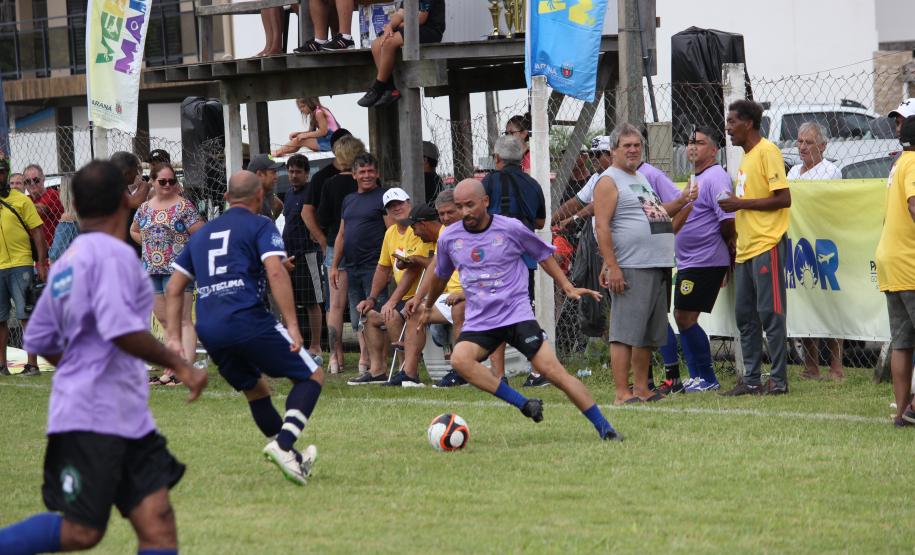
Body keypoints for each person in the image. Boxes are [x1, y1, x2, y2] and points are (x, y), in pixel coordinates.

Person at [0, 160, 207, 555]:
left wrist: (79, 365)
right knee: (82, 531)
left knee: (158, 522)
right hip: (91, 418)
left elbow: (41, 336)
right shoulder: (113, 257)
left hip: (128, 418)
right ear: (126, 198)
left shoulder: (67, 263)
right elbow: (122, 331)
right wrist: (181, 364)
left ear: (74, 202)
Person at [420, 179, 623, 441]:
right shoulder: (449, 237)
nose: (465, 212)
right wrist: (426, 305)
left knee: (554, 373)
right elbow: (440, 275)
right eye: (459, 206)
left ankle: (605, 428)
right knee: (460, 360)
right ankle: (524, 403)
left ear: (485, 202)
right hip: (480, 321)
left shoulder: (511, 228)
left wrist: (567, 286)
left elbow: (542, 254)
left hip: (516, 316)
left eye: (470, 205)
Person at [166, 170, 323, 485]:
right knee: (311, 376)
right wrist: (293, 325)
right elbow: (275, 273)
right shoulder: (261, 224)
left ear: (225, 198)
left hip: (209, 327)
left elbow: (173, 288)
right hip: (246, 317)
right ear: (260, 198)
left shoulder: (201, 235)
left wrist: (172, 337)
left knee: (256, 389)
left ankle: (290, 458)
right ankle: (282, 444)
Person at [593, 123, 689, 405]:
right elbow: (602, 226)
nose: (634, 150)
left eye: (637, 145)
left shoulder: (640, 178)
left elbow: (656, 214)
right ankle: (622, 393)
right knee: (625, 332)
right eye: (627, 146)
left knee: (647, 333)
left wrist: (682, 201)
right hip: (632, 265)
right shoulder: (609, 181)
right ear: (613, 151)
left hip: (656, 263)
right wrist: (612, 266)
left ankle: (642, 389)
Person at [718, 99, 792, 396]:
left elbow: (783, 198)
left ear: (748, 123)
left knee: (771, 314)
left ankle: (778, 381)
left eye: (732, 122)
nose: (728, 127)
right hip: (747, 249)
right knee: (745, 318)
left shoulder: (768, 152)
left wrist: (739, 204)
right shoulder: (747, 157)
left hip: (767, 244)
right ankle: (750, 380)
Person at [667, 127, 736, 393]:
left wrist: (728, 249)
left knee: (685, 317)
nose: (693, 146)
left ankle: (707, 378)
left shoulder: (716, 176)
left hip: (705, 260)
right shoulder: (695, 178)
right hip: (689, 261)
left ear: (714, 150)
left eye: (700, 142)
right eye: (689, 142)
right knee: (682, 316)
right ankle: (697, 376)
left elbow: (727, 219)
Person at [481, 134, 547, 386]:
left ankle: (499, 375)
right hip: (525, 260)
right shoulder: (532, 184)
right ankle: (537, 370)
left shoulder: (488, 181)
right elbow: (540, 222)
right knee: (524, 311)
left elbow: (480, 215)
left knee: (494, 312)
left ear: (497, 158)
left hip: (494, 258)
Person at [130, 162, 204, 385]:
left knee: (182, 320)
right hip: (151, 269)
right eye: (162, 181)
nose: (168, 185)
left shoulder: (184, 207)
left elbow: (200, 232)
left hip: (178, 270)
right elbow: (134, 230)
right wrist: (149, 244)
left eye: (172, 181)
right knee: (165, 320)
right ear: (152, 181)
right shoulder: (144, 208)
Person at [350, 188, 431, 386]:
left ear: (409, 202)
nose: (396, 208)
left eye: (399, 203)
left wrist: (392, 301)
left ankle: (406, 370)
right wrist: (371, 298)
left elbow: (414, 270)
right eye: (391, 206)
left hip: (423, 295)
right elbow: (382, 268)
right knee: (369, 314)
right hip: (402, 298)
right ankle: (377, 370)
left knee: (391, 314)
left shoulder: (419, 229)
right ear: (386, 211)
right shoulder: (390, 233)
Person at [786, 122, 844, 380]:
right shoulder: (793, 174)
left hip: (825, 243)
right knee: (805, 300)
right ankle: (811, 365)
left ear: (823, 146)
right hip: (800, 243)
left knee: (831, 302)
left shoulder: (831, 171)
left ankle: (836, 366)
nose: (802, 147)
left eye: (809, 142)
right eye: (799, 142)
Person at [330, 153, 389, 381]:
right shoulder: (349, 200)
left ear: (377, 173)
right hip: (351, 267)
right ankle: (371, 366)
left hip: (376, 267)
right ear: (353, 174)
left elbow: (391, 232)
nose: (366, 175)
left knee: (377, 317)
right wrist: (335, 265)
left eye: (370, 171)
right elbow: (342, 234)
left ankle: (380, 366)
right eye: (362, 172)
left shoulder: (383, 197)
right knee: (359, 320)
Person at [401, 194, 468, 387]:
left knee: (458, 308)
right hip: (449, 295)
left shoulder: (475, 229)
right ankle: (410, 375)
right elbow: (435, 267)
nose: (445, 218)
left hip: (473, 294)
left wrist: (464, 293)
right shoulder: (446, 233)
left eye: (450, 212)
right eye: (442, 214)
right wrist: (418, 298)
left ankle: (461, 372)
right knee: (414, 310)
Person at [875, 115, 915, 427]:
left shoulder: (898, 163)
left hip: (892, 262)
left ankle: (902, 413)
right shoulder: (913, 163)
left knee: (902, 342)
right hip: (910, 263)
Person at [317, 137, 367, 373]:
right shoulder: (367, 184)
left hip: (333, 247)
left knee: (335, 306)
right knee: (363, 302)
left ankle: (335, 359)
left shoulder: (329, 184)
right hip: (363, 246)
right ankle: (364, 358)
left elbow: (322, 218)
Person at [0, 156, 47, 377]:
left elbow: (37, 231)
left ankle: (32, 364)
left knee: (26, 315)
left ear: (6, 175)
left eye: (2, 172)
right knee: (0, 318)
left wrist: (41, 263)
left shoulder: (21, 200)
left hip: (21, 264)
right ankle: (2, 365)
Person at [356, 0, 446, 108]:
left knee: (388, 43)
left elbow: (421, 18)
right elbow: (400, 13)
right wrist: (390, 26)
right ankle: (390, 89)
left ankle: (378, 88)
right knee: (377, 44)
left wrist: (401, 25)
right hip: (411, 26)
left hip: (430, 30)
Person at [282, 154, 324, 360]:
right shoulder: (288, 194)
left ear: (307, 174)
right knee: (288, 301)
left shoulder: (312, 193)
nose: (294, 175)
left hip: (308, 254)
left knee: (312, 301)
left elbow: (324, 215)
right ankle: (292, 344)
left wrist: (318, 233)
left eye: (298, 172)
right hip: (288, 256)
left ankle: (316, 346)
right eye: (291, 171)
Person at [110, 150, 152, 257]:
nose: (138, 174)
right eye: (135, 170)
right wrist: (145, 185)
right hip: (121, 249)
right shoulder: (111, 186)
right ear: (126, 173)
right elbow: (135, 202)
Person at [273, 97, 341, 157]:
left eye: (303, 106)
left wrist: (304, 135)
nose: (301, 110)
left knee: (300, 140)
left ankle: (277, 152)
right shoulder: (315, 112)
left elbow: (323, 131)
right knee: (299, 139)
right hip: (329, 139)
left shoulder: (319, 112)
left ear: (310, 103)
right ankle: (281, 152)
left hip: (332, 141)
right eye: (299, 108)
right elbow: (312, 132)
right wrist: (298, 134)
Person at [23, 164, 64, 250]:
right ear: (24, 184)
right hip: (36, 251)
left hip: (54, 250)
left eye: (36, 180)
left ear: (43, 179)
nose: (32, 184)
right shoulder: (27, 200)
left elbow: (40, 210)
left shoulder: (52, 194)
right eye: (28, 181)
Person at [47, 176, 79, 263]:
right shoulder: (84, 215)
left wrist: (49, 252)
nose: (57, 190)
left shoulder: (67, 218)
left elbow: (56, 253)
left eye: (59, 188)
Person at [247, 154, 284, 220]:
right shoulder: (248, 202)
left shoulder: (267, 193)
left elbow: (279, 205)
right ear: (259, 174)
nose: (276, 177)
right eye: (273, 172)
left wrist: (270, 223)